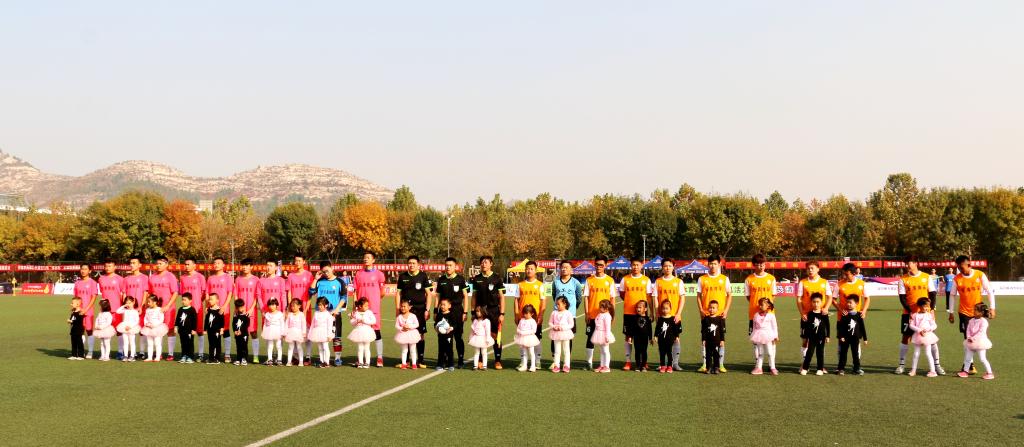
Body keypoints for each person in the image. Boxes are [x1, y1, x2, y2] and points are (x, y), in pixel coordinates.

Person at [950, 255, 997, 375]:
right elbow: (952, 295)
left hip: (978, 312)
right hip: (964, 313)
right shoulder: (957, 279)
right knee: (968, 338)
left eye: (962, 267)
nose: (960, 270)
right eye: (958, 268)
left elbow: (989, 291)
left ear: (969, 265)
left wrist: (992, 308)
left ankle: (983, 361)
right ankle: (970, 366)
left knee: (980, 336)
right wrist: (951, 312)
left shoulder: (979, 275)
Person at [896, 256, 942, 375]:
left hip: (926, 313)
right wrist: (910, 311)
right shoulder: (903, 279)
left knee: (931, 339)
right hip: (908, 313)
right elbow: (902, 298)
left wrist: (931, 309)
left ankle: (937, 365)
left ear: (916, 263)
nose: (907, 265)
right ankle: (901, 365)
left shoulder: (926, 277)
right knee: (906, 337)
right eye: (906, 263)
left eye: (909, 263)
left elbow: (932, 294)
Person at [396, 255, 433, 368]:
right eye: (410, 263)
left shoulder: (423, 276)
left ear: (418, 264)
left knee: (420, 334)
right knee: (405, 332)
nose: (411, 265)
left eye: (414, 263)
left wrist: (427, 309)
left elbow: (429, 294)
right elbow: (398, 294)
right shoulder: (403, 276)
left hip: (420, 309)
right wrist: (397, 309)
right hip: (406, 311)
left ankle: (420, 360)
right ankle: (406, 361)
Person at [697, 254, 731, 373]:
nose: (713, 266)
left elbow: (729, 295)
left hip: (720, 315)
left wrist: (726, 310)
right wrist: (701, 310)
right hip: (706, 315)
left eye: (715, 263)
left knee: (720, 339)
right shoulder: (702, 279)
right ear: (708, 264)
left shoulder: (724, 279)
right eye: (711, 263)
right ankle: (705, 364)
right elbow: (698, 296)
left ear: (719, 264)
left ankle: (720, 364)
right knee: (705, 339)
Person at [471, 255, 506, 369]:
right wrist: (473, 312)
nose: (483, 264)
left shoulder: (497, 278)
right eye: (482, 262)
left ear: (491, 264)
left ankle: (497, 360)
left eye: (486, 262)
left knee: (496, 335)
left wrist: (502, 314)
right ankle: (480, 360)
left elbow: (502, 297)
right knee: (480, 335)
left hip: (494, 310)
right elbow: (474, 297)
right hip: (481, 311)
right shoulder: (477, 279)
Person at [618, 258, 653, 371]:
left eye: (638, 265)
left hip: (642, 314)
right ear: (631, 266)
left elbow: (649, 297)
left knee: (642, 337)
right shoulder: (625, 279)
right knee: (628, 337)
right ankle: (628, 361)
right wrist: (630, 302)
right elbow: (622, 294)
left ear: (641, 266)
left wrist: (651, 312)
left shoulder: (646, 280)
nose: (635, 267)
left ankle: (643, 362)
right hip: (628, 312)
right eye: (633, 265)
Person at [583, 256, 617, 371]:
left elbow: (612, 299)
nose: (599, 267)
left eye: (601, 265)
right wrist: (586, 313)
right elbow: (586, 297)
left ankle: (605, 365)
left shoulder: (610, 280)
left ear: (605, 265)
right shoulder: (589, 280)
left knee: (604, 341)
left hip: (605, 317)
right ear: (594, 265)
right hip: (592, 315)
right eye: (597, 264)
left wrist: (612, 315)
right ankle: (589, 363)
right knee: (590, 338)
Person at [434, 257, 469, 368]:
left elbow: (465, 296)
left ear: (455, 267)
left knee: (458, 337)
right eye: (447, 265)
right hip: (444, 312)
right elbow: (438, 296)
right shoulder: (441, 279)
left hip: (457, 312)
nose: (448, 267)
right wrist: (435, 310)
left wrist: (465, 312)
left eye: (450, 265)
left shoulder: (460, 279)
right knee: (444, 336)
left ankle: (460, 359)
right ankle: (444, 360)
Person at [311, 261, 347, 366]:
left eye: (327, 271)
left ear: (332, 268)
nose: (326, 273)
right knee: (321, 336)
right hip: (321, 315)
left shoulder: (340, 282)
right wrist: (315, 279)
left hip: (334, 314)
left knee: (336, 336)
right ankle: (323, 359)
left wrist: (337, 309)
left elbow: (344, 297)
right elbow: (311, 292)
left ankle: (337, 358)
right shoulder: (320, 281)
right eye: (323, 272)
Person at [353, 252, 386, 367]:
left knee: (376, 332)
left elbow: (382, 292)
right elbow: (355, 291)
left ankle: (380, 357)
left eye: (368, 257)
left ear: (373, 260)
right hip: (361, 309)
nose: (365, 259)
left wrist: (375, 300)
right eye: (364, 257)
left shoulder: (379, 274)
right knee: (361, 332)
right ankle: (361, 359)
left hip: (374, 308)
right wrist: (355, 306)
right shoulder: (358, 274)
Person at [796, 260, 832, 362]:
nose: (810, 270)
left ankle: (821, 365)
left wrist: (826, 308)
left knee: (821, 340)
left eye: (812, 268)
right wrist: (802, 313)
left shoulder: (824, 282)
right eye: (808, 269)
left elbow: (829, 297)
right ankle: (804, 364)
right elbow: (799, 299)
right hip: (807, 316)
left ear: (818, 269)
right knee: (805, 340)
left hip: (820, 316)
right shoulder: (803, 282)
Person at [653, 258, 685, 371]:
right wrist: (657, 312)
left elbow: (682, 298)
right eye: (665, 266)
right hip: (662, 316)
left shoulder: (678, 281)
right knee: (661, 339)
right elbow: (655, 298)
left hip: (674, 316)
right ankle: (662, 363)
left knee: (676, 338)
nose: (667, 268)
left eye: (670, 266)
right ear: (662, 267)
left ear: (673, 267)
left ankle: (674, 363)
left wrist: (678, 313)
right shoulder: (658, 281)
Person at [745, 254, 776, 369]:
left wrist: (766, 307)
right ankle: (758, 365)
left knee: (771, 340)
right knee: (756, 340)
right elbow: (748, 296)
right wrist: (757, 306)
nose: (760, 266)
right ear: (754, 265)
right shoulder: (749, 279)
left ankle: (772, 365)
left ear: (765, 264)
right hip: (754, 315)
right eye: (758, 264)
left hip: (769, 315)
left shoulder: (771, 278)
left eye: (762, 264)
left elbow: (773, 295)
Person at [147, 256, 179, 361]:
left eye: (160, 263)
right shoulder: (152, 277)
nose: (158, 265)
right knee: (156, 329)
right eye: (157, 263)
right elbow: (150, 293)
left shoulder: (171, 276)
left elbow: (175, 293)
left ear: (166, 264)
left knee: (170, 329)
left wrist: (168, 305)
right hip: (156, 309)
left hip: (168, 307)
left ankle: (170, 353)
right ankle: (158, 353)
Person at [515, 261, 545, 367]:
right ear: (525, 270)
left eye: (531, 269)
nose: (529, 270)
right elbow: (516, 300)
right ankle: (523, 361)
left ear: (535, 270)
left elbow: (543, 301)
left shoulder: (540, 285)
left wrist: (541, 315)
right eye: (527, 268)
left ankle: (537, 361)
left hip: (535, 318)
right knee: (522, 341)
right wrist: (516, 314)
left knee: (536, 340)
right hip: (522, 318)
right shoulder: (520, 285)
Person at [257, 260, 286, 364]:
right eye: (267, 265)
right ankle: (270, 358)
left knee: (279, 335)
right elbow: (259, 296)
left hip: (278, 314)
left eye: (271, 265)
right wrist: (262, 310)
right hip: (267, 314)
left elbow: (283, 295)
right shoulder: (261, 281)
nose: (268, 267)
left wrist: (284, 310)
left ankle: (278, 357)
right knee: (268, 334)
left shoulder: (281, 280)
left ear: (276, 268)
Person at [550, 260, 582, 357]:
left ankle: (567, 359)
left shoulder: (576, 283)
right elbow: (554, 295)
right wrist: (559, 307)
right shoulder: (555, 282)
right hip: (557, 314)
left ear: (571, 269)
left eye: (566, 267)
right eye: (562, 267)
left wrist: (573, 308)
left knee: (568, 336)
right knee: (555, 336)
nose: (564, 269)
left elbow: (579, 298)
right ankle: (555, 358)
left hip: (570, 314)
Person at [206, 258, 235, 362]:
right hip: (212, 310)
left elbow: (230, 293)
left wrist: (224, 306)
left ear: (223, 265)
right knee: (213, 331)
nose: (216, 265)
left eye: (218, 263)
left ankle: (227, 354)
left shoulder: (228, 277)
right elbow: (207, 293)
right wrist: (207, 306)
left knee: (225, 330)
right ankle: (214, 354)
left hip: (223, 309)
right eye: (215, 263)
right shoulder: (210, 278)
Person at [287, 254, 315, 363]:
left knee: (306, 332)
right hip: (294, 309)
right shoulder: (291, 276)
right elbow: (289, 292)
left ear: (304, 262)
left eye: (299, 260)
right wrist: (290, 306)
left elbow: (311, 293)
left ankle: (308, 356)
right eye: (296, 261)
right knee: (294, 331)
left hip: (305, 308)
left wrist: (306, 307)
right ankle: (295, 356)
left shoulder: (309, 275)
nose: (297, 263)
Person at [97, 260, 126, 359]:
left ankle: (120, 351)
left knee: (119, 331)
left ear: (114, 267)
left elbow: (123, 294)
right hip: (105, 310)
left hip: (117, 309)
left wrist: (123, 307)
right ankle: (105, 353)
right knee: (104, 332)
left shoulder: (120, 279)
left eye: (110, 266)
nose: (108, 268)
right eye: (106, 266)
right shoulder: (101, 279)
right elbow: (103, 294)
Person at [178, 258, 206, 360]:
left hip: (197, 308)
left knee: (199, 330)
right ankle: (188, 353)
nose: (186, 266)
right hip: (186, 309)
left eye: (188, 264)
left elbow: (204, 292)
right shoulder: (182, 278)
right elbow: (182, 293)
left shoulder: (200, 277)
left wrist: (198, 302)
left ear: (194, 265)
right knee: (186, 331)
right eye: (185, 264)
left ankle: (201, 353)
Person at [958, 303, 995, 380]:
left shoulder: (984, 322)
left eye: (976, 310)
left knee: (982, 358)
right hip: (970, 342)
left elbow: (981, 332)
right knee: (968, 358)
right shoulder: (971, 320)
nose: (974, 311)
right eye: (974, 309)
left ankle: (990, 373)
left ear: (981, 312)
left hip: (980, 343)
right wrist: (968, 337)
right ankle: (965, 371)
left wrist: (973, 338)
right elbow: (968, 329)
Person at [124, 256, 150, 359]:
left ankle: (142, 352)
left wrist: (141, 306)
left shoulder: (144, 277)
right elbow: (124, 294)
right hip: (129, 310)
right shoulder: (126, 279)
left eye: (134, 263)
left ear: (139, 265)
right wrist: (125, 306)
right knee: (130, 330)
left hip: (140, 308)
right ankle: (132, 352)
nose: (132, 265)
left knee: (141, 330)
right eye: (130, 263)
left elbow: (145, 293)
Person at [235, 259, 260, 364]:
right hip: (240, 312)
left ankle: (256, 356)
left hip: (251, 311)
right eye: (243, 265)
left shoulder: (256, 279)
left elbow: (257, 296)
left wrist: (251, 309)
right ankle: (242, 356)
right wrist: (237, 308)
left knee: (253, 333)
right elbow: (236, 295)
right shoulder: (238, 279)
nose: (244, 267)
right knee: (240, 334)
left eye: (247, 265)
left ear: (251, 267)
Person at [73, 264, 100, 359]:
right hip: (78, 311)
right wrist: (76, 309)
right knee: (80, 331)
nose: (83, 271)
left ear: (90, 271)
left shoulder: (93, 282)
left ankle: (90, 351)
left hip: (88, 311)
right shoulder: (77, 283)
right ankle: (81, 351)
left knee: (89, 331)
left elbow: (94, 297)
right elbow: (75, 298)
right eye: (82, 269)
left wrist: (86, 309)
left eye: (85, 269)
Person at [836, 295, 867, 376]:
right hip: (845, 338)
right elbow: (841, 327)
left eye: (850, 303)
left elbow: (862, 327)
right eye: (847, 302)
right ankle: (841, 369)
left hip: (855, 339)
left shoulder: (859, 315)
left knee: (855, 354)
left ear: (856, 303)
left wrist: (865, 338)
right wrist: (840, 336)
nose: (848, 304)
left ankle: (856, 369)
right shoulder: (844, 314)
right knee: (843, 354)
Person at [907, 298, 939, 377]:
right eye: (925, 306)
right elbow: (911, 325)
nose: (927, 308)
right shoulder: (915, 315)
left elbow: (934, 325)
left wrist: (928, 329)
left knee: (928, 353)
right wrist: (919, 330)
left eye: (928, 306)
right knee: (916, 353)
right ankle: (913, 370)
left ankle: (933, 371)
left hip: (927, 336)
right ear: (920, 306)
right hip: (918, 336)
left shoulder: (929, 315)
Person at [800, 293, 829, 376]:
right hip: (812, 337)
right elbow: (806, 327)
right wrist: (805, 337)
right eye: (814, 302)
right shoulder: (809, 314)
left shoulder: (824, 314)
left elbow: (827, 326)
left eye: (818, 302)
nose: (816, 304)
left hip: (821, 337)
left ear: (821, 302)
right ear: (811, 302)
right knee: (809, 353)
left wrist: (827, 336)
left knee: (820, 353)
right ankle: (805, 368)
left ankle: (820, 369)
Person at [749, 298, 779, 376]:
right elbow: (754, 327)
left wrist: (775, 336)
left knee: (770, 352)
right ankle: (759, 368)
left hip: (768, 335)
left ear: (768, 306)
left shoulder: (771, 316)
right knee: (760, 353)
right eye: (759, 305)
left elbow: (774, 326)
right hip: (758, 335)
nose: (760, 306)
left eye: (762, 305)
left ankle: (772, 367)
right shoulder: (756, 315)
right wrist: (753, 336)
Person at [348, 298, 378, 369]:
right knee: (360, 348)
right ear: (360, 306)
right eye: (365, 306)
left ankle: (367, 363)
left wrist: (364, 321)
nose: (367, 307)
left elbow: (373, 321)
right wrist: (355, 321)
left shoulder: (369, 312)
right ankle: (360, 362)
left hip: (367, 332)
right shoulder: (356, 313)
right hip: (359, 332)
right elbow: (352, 322)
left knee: (367, 348)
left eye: (368, 305)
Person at [548, 297, 575, 373]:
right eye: (556, 304)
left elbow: (571, 324)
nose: (557, 306)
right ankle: (556, 365)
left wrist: (562, 328)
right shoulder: (554, 313)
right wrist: (554, 327)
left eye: (559, 304)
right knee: (557, 351)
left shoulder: (568, 313)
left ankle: (566, 365)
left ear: (564, 304)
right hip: (556, 334)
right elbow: (550, 322)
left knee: (566, 350)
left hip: (565, 334)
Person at [626, 300, 653, 372]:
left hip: (644, 338)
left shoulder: (648, 319)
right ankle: (637, 365)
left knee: (644, 351)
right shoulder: (634, 318)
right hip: (637, 338)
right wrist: (630, 337)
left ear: (645, 309)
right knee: (637, 351)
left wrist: (650, 338)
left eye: (640, 307)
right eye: (637, 307)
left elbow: (650, 329)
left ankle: (643, 366)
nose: (638, 309)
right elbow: (632, 329)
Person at [655, 300, 682, 374]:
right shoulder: (660, 319)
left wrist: (676, 336)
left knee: (669, 353)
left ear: (670, 309)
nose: (665, 310)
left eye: (667, 308)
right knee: (662, 353)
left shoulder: (672, 319)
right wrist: (655, 336)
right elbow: (657, 328)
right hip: (661, 339)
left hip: (669, 339)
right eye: (663, 308)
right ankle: (663, 366)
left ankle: (670, 366)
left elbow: (675, 329)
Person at [589, 299, 616, 373]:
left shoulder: (607, 316)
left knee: (605, 351)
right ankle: (602, 365)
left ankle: (607, 366)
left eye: (601, 307)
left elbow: (608, 328)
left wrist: (607, 336)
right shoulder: (600, 314)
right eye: (600, 306)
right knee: (601, 351)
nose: (599, 308)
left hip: (604, 335)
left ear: (606, 308)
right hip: (598, 333)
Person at [701, 300, 726, 375]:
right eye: (710, 307)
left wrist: (722, 340)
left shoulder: (720, 319)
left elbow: (721, 331)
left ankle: (716, 367)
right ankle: (708, 368)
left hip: (716, 341)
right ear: (708, 308)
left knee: (716, 355)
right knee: (708, 355)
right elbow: (703, 331)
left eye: (713, 308)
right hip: (708, 341)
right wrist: (703, 339)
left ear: (717, 309)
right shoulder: (705, 319)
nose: (711, 309)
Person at [308, 298, 334, 368]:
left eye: (322, 305)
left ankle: (327, 362)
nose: (320, 306)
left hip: (325, 333)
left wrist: (329, 335)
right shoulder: (316, 313)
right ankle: (321, 361)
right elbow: (313, 324)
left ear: (326, 305)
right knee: (320, 348)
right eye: (319, 305)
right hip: (317, 332)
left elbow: (329, 325)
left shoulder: (328, 314)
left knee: (325, 347)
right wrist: (310, 333)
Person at [395, 300, 422, 369]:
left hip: (412, 335)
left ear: (409, 307)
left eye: (404, 306)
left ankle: (414, 364)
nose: (402, 308)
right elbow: (396, 325)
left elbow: (417, 324)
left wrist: (409, 327)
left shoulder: (413, 316)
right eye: (401, 306)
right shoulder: (399, 317)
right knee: (404, 350)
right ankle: (404, 364)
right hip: (403, 335)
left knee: (413, 350)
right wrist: (402, 328)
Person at [514, 304, 541, 372]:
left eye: (527, 313)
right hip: (522, 339)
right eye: (524, 313)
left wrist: (524, 332)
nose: (525, 315)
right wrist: (519, 331)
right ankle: (524, 366)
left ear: (532, 314)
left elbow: (534, 331)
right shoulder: (522, 320)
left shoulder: (532, 321)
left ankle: (533, 366)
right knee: (524, 353)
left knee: (531, 352)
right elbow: (518, 328)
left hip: (530, 339)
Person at [141, 296, 168, 362]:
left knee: (157, 343)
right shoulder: (147, 310)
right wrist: (146, 324)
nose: (148, 303)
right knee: (149, 343)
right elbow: (145, 318)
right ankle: (149, 357)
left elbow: (161, 319)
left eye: (149, 302)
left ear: (155, 302)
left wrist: (154, 325)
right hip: (148, 329)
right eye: (147, 302)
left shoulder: (159, 309)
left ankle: (157, 357)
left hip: (157, 328)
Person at [468, 306, 495, 370]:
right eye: (476, 311)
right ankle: (475, 365)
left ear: (483, 312)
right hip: (476, 338)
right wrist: (470, 338)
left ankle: (484, 365)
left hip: (483, 339)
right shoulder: (475, 321)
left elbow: (488, 331)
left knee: (484, 352)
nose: (477, 313)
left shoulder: (486, 321)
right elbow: (472, 331)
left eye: (479, 311)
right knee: (476, 352)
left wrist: (488, 339)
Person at [434, 298, 457, 371]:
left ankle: (451, 364)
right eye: (441, 305)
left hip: (449, 336)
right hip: (440, 336)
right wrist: (436, 329)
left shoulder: (451, 314)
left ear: (449, 306)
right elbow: (436, 324)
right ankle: (440, 364)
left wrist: (451, 328)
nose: (442, 306)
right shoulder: (439, 314)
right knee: (441, 350)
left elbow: (455, 324)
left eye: (444, 305)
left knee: (449, 350)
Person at [175, 293, 198, 364]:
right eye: (182, 300)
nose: (183, 301)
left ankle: (190, 357)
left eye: (185, 300)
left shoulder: (192, 309)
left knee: (189, 344)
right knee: (183, 344)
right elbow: (177, 319)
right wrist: (176, 326)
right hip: (182, 331)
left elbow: (195, 320)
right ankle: (184, 356)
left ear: (190, 301)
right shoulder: (180, 309)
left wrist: (194, 329)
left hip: (189, 331)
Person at [115, 296, 140, 361]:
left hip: (132, 328)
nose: (128, 304)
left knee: (132, 342)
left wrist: (130, 327)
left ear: (133, 302)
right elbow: (117, 311)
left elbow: (136, 321)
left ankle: (132, 356)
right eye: (127, 303)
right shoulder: (125, 310)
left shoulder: (135, 311)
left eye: (129, 303)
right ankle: (125, 356)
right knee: (125, 342)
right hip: (124, 328)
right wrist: (124, 306)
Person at [261, 298, 285, 366]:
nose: (271, 306)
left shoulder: (280, 314)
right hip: (269, 331)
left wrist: (283, 333)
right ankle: (270, 359)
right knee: (270, 346)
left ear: (277, 305)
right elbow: (265, 324)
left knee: (278, 346)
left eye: (273, 305)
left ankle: (279, 360)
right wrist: (264, 331)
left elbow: (282, 324)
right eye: (270, 305)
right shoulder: (267, 314)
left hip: (278, 331)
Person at [284, 299, 307, 367]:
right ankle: (289, 361)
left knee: (299, 347)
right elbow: (286, 324)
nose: (292, 307)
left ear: (299, 306)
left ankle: (301, 361)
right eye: (291, 306)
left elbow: (303, 324)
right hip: (290, 333)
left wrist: (304, 333)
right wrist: (285, 333)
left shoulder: (301, 314)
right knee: (290, 347)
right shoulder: (289, 314)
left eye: (294, 306)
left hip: (299, 333)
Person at [204, 294, 224, 364]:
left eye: (212, 299)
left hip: (217, 331)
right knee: (211, 344)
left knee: (217, 344)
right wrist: (205, 329)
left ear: (217, 301)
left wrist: (221, 329)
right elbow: (206, 320)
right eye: (209, 299)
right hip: (210, 330)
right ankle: (211, 358)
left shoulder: (220, 310)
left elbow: (222, 320)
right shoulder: (208, 310)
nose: (210, 301)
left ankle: (217, 358)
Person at [231, 299, 250, 365]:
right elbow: (233, 324)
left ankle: (244, 359)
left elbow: (246, 325)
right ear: (237, 308)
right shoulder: (235, 316)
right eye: (240, 307)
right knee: (238, 347)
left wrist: (241, 331)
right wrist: (235, 331)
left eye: (242, 307)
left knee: (244, 346)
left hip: (244, 334)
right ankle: (238, 359)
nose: (242, 308)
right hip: (237, 334)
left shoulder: (246, 315)